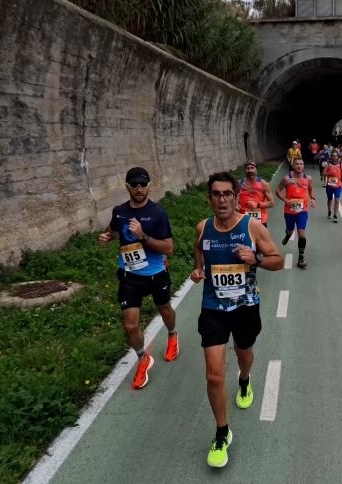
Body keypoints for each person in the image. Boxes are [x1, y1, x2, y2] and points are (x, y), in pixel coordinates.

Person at [191, 172, 284, 468]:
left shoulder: (252, 227)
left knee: (244, 353)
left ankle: (245, 379)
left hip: (245, 307)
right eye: (216, 194)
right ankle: (221, 432)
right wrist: (198, 269)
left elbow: (278, 261)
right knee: (214, 375)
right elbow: (198, 249)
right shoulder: (203, 228)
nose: (221, 199)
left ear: (235, 197)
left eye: (227, 194)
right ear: (209, 198)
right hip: (213, 309)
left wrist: (255, 259)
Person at [97, 167, 178, 389]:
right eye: (134, 185)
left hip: (155, 274)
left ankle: (172, 335)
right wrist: (107, 236)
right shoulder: (120, 211)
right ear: (127, 187)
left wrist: (143, 236)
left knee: (165, 310)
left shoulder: (158, 213)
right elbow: (113, 231)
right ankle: (143, 358)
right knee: (131, 326)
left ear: (149, 186)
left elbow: (169, 248)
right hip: (129, 275)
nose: (139, 189)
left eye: (143, 184)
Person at [276, 158, 316, 268]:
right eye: (297, 164)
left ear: (303, 166)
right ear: (293, 166)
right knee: (289, 230)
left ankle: (301, 258)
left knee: (301, 233)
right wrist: (286, 200)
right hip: (289, 211)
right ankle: (288, 235)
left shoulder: (308, 179)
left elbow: (311, 189)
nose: (299, 166)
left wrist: (312, 198)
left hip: (302, 211)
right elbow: (277, 191)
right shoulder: (286, 178)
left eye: (301, 164)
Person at [237, 160, 275, 227]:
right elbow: (233, 199)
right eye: (247, 168)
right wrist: (236, 205)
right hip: (242, 218)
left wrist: (257, 204)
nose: (250, 170)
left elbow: (272, 203)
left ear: (256, 170)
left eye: (252, 168)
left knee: (261, 237)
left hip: (260, 219)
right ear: (244, 170)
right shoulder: (239, 184)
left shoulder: (264, 184)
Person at [323, 153, 342, 223]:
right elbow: (323, 173)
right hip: (330, 185)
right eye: (333, 156)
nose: (334, 157)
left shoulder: (340, 164)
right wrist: (329, 173)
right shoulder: (328, 164)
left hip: (338, 185)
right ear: (331, 157)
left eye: (335, 156)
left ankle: (335, 215)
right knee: (330, 199)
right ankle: (329, 211)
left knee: (337, 200)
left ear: (337, 157)